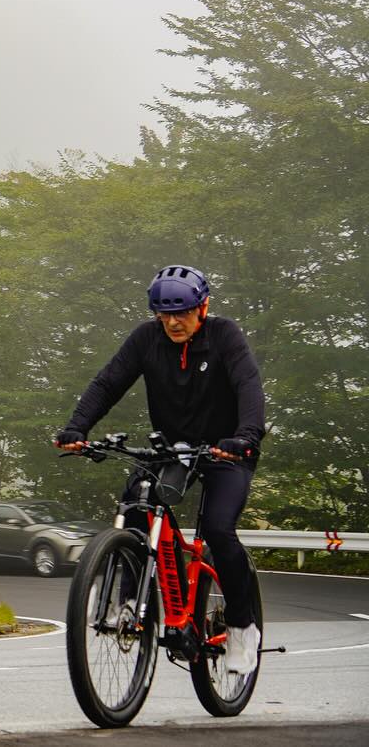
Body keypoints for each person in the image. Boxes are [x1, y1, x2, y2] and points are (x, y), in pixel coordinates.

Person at [54, 264, 266, 674]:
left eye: (182, 313)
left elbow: (248, 386)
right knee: (136, 504)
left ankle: (242, 628)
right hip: (172, 449)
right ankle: (130, 601)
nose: (173, 322)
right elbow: (108, 383)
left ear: (202, 308)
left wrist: (246, 436)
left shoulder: (225, 336)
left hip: (226, 451)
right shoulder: (145, 339)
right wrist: (77, 427)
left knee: (220, 530)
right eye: (164, 314)